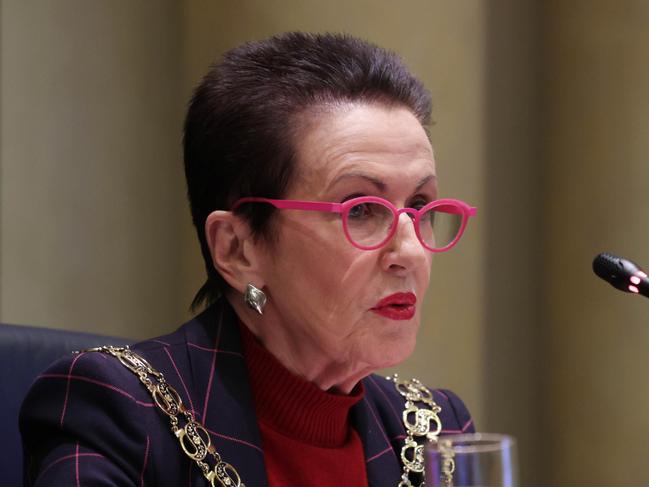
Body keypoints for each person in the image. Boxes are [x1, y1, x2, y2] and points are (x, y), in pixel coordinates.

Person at [20, 32, 476, 487]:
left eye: (419, 207)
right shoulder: (122, 412)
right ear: (238, 249)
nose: (410, 252)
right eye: (360, 210)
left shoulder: (433, 431)